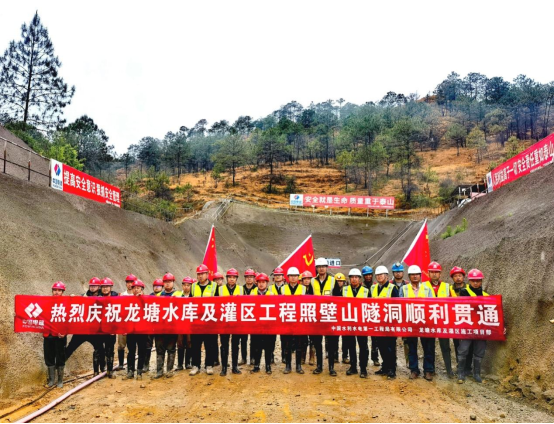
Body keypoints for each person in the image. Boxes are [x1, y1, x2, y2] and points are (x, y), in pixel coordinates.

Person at [457, 269, 505, 384]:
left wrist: (501, 326)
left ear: (481, 281)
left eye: (478, 280)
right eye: (473, 281)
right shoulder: (464, 292)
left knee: (479, 350)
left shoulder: (486, 295)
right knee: (463, 349)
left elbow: (495, 313)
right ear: (469, 281)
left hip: (481, 328)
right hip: (467, 327)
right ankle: (460, 372)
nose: (475, 283)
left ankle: (476, 374)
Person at [399, 266, 435, 381]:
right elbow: (400, 305)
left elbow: (432, 304)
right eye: (412, 274)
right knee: (411, 347)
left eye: (417, 274)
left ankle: (428, 370)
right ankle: (414, 370)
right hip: (410, 323)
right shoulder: (403, 289)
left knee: (428, 347)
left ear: (420, 276)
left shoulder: (427, 288)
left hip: (425, 322)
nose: (415, 276)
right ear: (409, 276)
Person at [65, 277, 104, 376]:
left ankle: (99, 370)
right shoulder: (83, 296)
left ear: (99, 287)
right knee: (70, 348)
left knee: (100, 349)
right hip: (81, 330)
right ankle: (59, 366)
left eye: (94, 286)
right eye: (91, 286)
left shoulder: (104, 298)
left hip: (95, 331)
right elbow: (74, 305)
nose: (92, 288)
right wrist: (72, 298)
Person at [425, 262, 455, 378]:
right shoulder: (423, 286)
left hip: (443, 322)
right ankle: (430, 370)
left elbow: (455, 302)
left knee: (445, 346)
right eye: (432, 272)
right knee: (429, 346)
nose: (434, 274)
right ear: (428, 273)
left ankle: (449, 370)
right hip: (429, 321)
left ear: (440, 273)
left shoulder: (447, 287)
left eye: (436, 272)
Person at [190, 264, 219, 377]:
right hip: (197, 321)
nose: (200, 276)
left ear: (207, 274)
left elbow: (218, 303)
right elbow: (189, 302)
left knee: (210, 344)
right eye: (199, 274)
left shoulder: (214, 286)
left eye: (202, 274)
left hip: (209, 320)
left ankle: (209, 365)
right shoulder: (193, 286)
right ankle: (195, 365)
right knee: (195, 344)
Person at [371, 266, 400, 380]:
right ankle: (385, 366)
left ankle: (392, 369)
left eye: (381, 274)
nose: (379, 277)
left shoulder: (392, 288)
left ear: (387, 276)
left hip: (389, 323)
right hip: (378, 323)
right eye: (377, 275)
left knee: (390, 347)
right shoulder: (373, 288)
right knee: (381, 346)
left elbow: (397, 306)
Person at [342, 269, 370, 379]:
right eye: (352, 277)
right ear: (349, 279)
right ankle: (353, 367)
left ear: (359, 279)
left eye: (356, 277)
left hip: (361, 323)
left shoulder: (366, 291)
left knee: (363, 346)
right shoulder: (344, 290)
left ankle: (363, 368)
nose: (354, 279)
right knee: (351, 346)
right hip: (349, 322)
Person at [219, 269, 244, 376]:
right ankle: (224, 368)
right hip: (224, 322)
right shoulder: (220, 289)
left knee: (235, 345)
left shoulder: (241, 289)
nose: (232, 279)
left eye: (234, 277)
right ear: (227, 278)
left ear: (236, 279)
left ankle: (234, 367)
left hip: (236, 322)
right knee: (224, 345)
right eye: (230, 277)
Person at [250, 273, 277, 375]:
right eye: (259, 282)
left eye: (263, 282)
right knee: (256, 346)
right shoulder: (252, 294)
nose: (261, 284)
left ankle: (268, 366)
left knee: (268, 347)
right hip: (256, 325)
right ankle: (256, 365)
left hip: (268, 325)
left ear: (267, 283)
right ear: (256, 283)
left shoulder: (272, 294)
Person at [282, 267, 307, 375]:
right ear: (288, 277)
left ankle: (298, 366)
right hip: (287, 320)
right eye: (291, 276)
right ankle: (288, 366)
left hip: (299, 321)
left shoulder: (304, 289)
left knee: (299, 344)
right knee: (287, 345)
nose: (293, 278)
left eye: (295, 276)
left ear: (298, 277)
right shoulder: (283, 289)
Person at [450, 267, 473, 377]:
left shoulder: (470, 288)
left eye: (460, 276)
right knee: (457, 345)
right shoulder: (449, 289)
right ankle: (460, 366)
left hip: (468, 320)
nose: (458, 278)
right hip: (455, 321)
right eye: (455, 276)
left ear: (464, 277)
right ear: (452, 278)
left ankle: (468, 367)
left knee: (469, 345)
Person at [154, 273, 178, 379]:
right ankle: (159, 371)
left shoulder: (179, 295)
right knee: (160, 349)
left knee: (171, 349)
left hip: (172, 327)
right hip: (160, 327)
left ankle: (169, 370)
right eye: (166, 282)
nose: (167, 284)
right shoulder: (158, 295)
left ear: (173, 282)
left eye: (169, 282)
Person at [44, 282, 67, 389]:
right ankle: (52, 380)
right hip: (48, 335)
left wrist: (65, 332)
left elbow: (70, 320)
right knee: (49, 357)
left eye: (59, 290)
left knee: (60, 357)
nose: (56, 292)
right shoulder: (46, 302)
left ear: (62, 292)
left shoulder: (67, 303)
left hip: (60, 335)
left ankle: (60, 380)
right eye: (55, 290)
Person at [124, 280, 148, 381]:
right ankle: (130, 371)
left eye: (138, 288)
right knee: (131, 351)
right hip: (131, 330)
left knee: (141, 351)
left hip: (142, 331)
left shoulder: (147, 299)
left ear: (142, 289)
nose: (136, 290)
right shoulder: (128, 300)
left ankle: (139, 372)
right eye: (134, 288)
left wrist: (141, 299)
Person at [390, 262, 410, 368]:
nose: (398, 274)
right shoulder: (389, 285)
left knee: (407, 340)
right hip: (393, 316)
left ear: (403, 272)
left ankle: (408, 361)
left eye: (400, 272)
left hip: (405, 316)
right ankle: (393, 360)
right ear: (393, 273)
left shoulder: (408, 285)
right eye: (396, 272)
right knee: (392, 340)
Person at [143, 279, 164, 373]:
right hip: (150, 325)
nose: (156, 288)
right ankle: (146, 365)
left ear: (162, 287)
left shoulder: (164, 296)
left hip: (160, 326)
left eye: (158, 286)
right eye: (155, 286)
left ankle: (159, 368)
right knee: (147, 346)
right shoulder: (149, 297)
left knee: (159, 347)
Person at [116, 274, 137, 372]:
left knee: (132, 346)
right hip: (123, 323)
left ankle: (131, 366)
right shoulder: (121, 295)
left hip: (133, 324)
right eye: (128, 282)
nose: (130, 284)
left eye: (132, 282)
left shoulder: (138, 296)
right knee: (121, 345)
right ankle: (121, 364)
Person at [100, 278, 119, 379]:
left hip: (111, 329)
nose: (105, 288)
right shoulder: (97, 297)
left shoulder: (116, 297)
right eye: (103, 287)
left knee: (110, 350)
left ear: (111, 287)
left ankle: (110, 370)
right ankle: (100, 369)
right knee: (99, 349)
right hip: (99, 329)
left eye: (107, 286)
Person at [174, 277, 194, 371]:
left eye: (188, 285)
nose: (186, 287)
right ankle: (179, 364)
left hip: (190, 324)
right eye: (184, 285)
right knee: (180, 343)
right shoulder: (177, 295)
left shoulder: (194, 296)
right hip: (180, 323)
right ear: (182, 286)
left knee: (189, 343)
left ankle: (187, 363)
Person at [362, 266, 380, 367]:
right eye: (366, 275)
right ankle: (365, 358)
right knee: (364, 340)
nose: (368, 277)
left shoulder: (375, 286)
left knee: (375, 339)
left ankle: (375, 358)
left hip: (374, 315)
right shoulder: (361, 287)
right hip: (363, 315)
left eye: (369, 275)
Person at [270, 267, 287, 364]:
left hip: (284, 315)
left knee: (284, 338)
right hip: (273, 315)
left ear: (283, 277)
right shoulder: (270, 288)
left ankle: (284, 356)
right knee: (271, 338)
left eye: (279, 275)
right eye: (276, 275)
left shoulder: (287, 288)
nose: (277, 277)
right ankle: (271, 356)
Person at [241, 269, 257, 366]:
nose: (249, 279)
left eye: (251, 277)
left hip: (254, 318)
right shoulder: (241, 289)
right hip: (243, 318)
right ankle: (243, 358)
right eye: (247, 277)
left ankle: (252, 358)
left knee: (254, 340)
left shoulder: (257, 289)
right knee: (243, 340)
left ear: (254, 278)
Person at [334, 273, 350, 365]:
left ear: (344, 282)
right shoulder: (333, 291)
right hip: (336, 317)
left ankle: (345, 356)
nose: (339, 283)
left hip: (345, 317)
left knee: (346, 339)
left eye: (341, 281)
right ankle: (335, 356)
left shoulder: (347, 290)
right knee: (335, 338)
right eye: (337, 281)